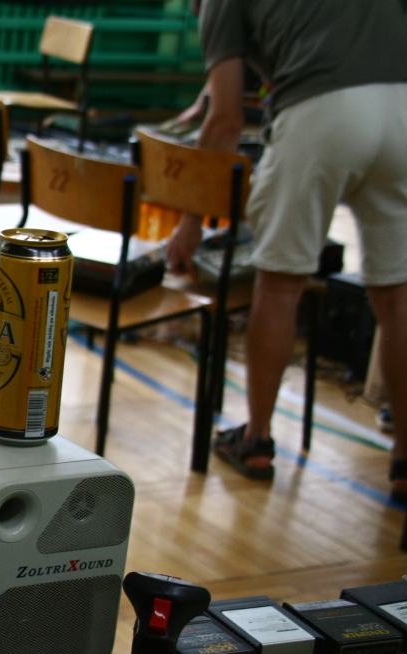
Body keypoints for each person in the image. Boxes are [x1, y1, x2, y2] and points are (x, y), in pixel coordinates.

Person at [164, 0, 407, 498]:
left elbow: (225, 119)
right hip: (401, 108)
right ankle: (404, 457)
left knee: (279, 286)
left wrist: (191, 221)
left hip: (320, 112)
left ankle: (256, 438)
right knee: (397, 298)